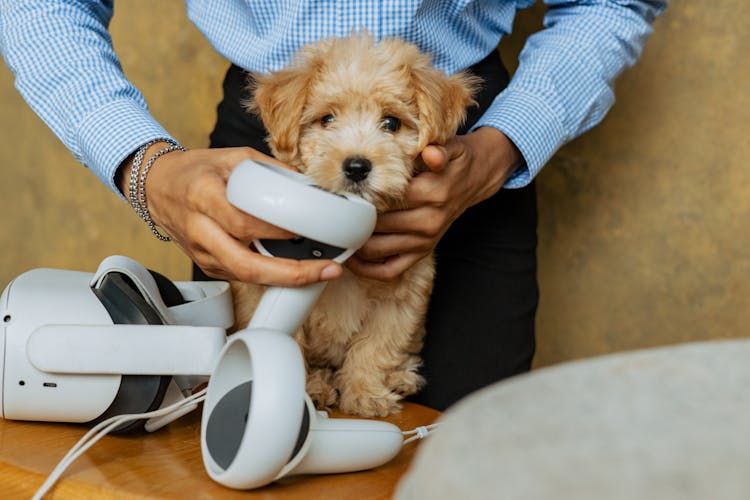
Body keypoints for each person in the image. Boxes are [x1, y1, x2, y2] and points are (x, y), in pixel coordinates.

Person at [0, 1, 666, 411]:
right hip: (262, 148)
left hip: (473, 155)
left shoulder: (442, 114)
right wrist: (145, 166)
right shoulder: (286, 109)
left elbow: (606, 2)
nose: (355, 149)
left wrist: (503, 146)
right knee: (255, 418)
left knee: (466, 447)